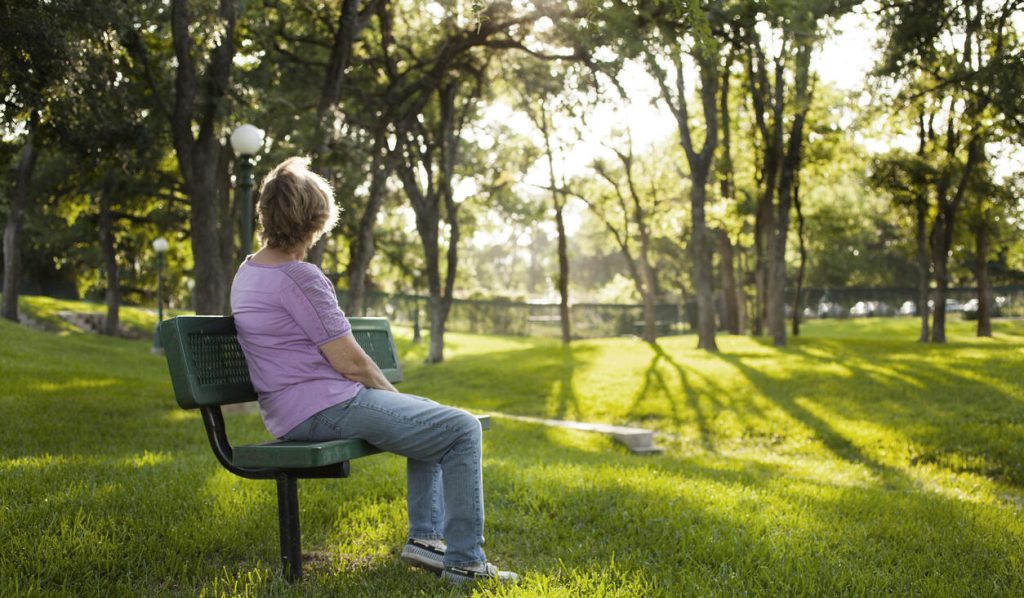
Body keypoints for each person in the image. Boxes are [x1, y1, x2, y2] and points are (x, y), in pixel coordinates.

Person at [229, 157, 518, 585]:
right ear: (316, 220)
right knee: (461, 429)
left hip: (294, 409)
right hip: (322, 409)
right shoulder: (300, 277)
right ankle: (465, 564)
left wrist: (400, 405)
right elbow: (352, 363)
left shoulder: (249, 270)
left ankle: (426, 541)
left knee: (433, 418)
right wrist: (393, 399)